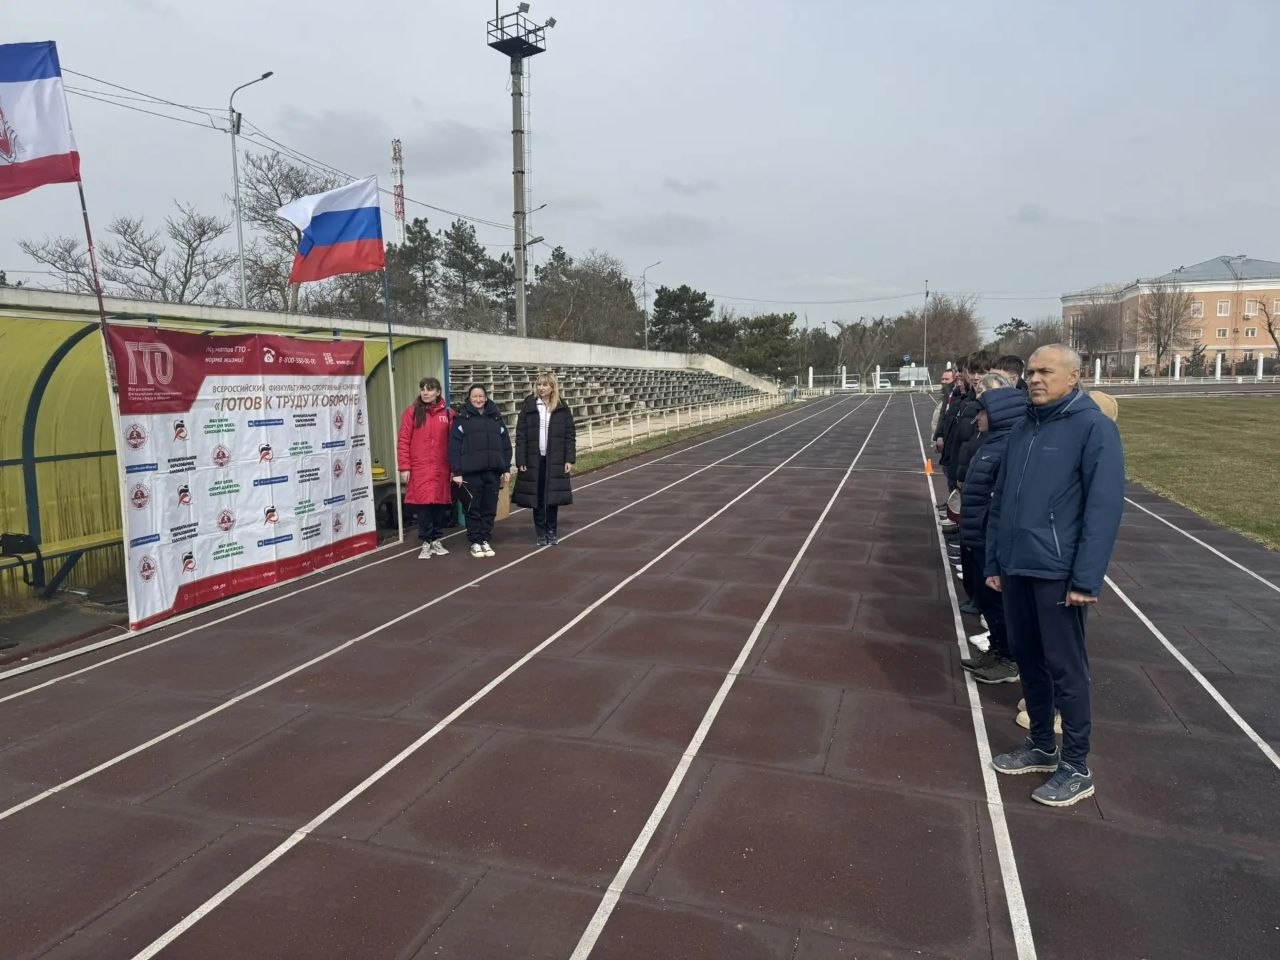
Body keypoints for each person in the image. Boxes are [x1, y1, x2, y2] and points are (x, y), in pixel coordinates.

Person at [985, 344, 1125, 808]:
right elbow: (1001, 500)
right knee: (1028, 659)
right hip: (1016, 566)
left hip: (1058, 573)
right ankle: (1042, 745)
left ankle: (1076, 765)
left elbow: (1103, 510)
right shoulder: (1025, 425)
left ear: (1075, 376)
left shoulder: (1093, 429)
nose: (1035, 379)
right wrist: (994, 561)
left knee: (1067, 669)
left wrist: (1085, 579)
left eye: (1046, 371)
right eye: (1030, 371)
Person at [958, 376, 1026, 683]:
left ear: (998, 414)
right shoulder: (993, 444)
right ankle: (998, 650)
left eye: (982, 412)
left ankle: (1008, 659)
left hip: (989, 538)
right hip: (976, 534)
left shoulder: (1008, 448)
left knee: (999, 606)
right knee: (989, 603)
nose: (977, 418)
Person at [449, 384, 512, 559]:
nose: (478, 399)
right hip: (470, 473)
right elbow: (454, 447)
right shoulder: (462, 419)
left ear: (486, 398)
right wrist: (457, 472)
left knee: (489, 508)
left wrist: (506, 468)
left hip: (492, 472)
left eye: (481, 396)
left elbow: (506, 445)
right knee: (472, 508)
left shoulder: (495, 418)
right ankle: (475, 541)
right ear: (469, 398)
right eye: (474, 396)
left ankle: (485, 539)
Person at [513, 371, 577, 545]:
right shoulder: (529, 405)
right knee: (538, 497)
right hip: (535, 460)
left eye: (545, 384)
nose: (541, 388)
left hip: (555, 460)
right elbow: (521, 434)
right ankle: (540, 532)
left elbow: (570, 435)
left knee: (552, 498)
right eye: (539, 384)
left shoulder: (562, 407)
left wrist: (569, 459)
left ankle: (552, 530)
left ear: (552, 386)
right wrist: (521, 460)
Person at [397, 377, 455, 559]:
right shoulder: (411, 413)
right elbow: (403, 440)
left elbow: (454, 443)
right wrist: (404, 467)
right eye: (423, 389)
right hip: (420, 469)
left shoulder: (448, 414)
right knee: (423, 508)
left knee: (439, 506)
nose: (426, 392)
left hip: (441, 468)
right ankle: (426, 542)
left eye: (430, 389)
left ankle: (436, 539)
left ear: (438, 392)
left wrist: (455, 469)